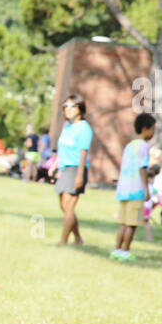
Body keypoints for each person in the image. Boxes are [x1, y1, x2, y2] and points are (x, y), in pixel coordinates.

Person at [111, 112, 155, 261]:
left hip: (124, 189)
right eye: (153, 129)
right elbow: (142, 168)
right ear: (145, 128)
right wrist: (146, 189)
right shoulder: (144, 146)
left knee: (123, 223)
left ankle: (116, 250)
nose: (153, 133)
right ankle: (125, 251)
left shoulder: (130, 145)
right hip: (136, 190)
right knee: (132, 224)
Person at [55, 93, 92, 246]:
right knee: (64, 206)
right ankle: (78, 238)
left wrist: (79, 176)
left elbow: (82, 153)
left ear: (80, 108)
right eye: (65, 106)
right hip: (65, 168)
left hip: (76, 168)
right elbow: (62, 148)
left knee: (69, 207)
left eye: (72, 106)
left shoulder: (84, 128)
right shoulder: (67, 126)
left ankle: (63, 242)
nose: (68, 109)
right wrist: (55, 165)